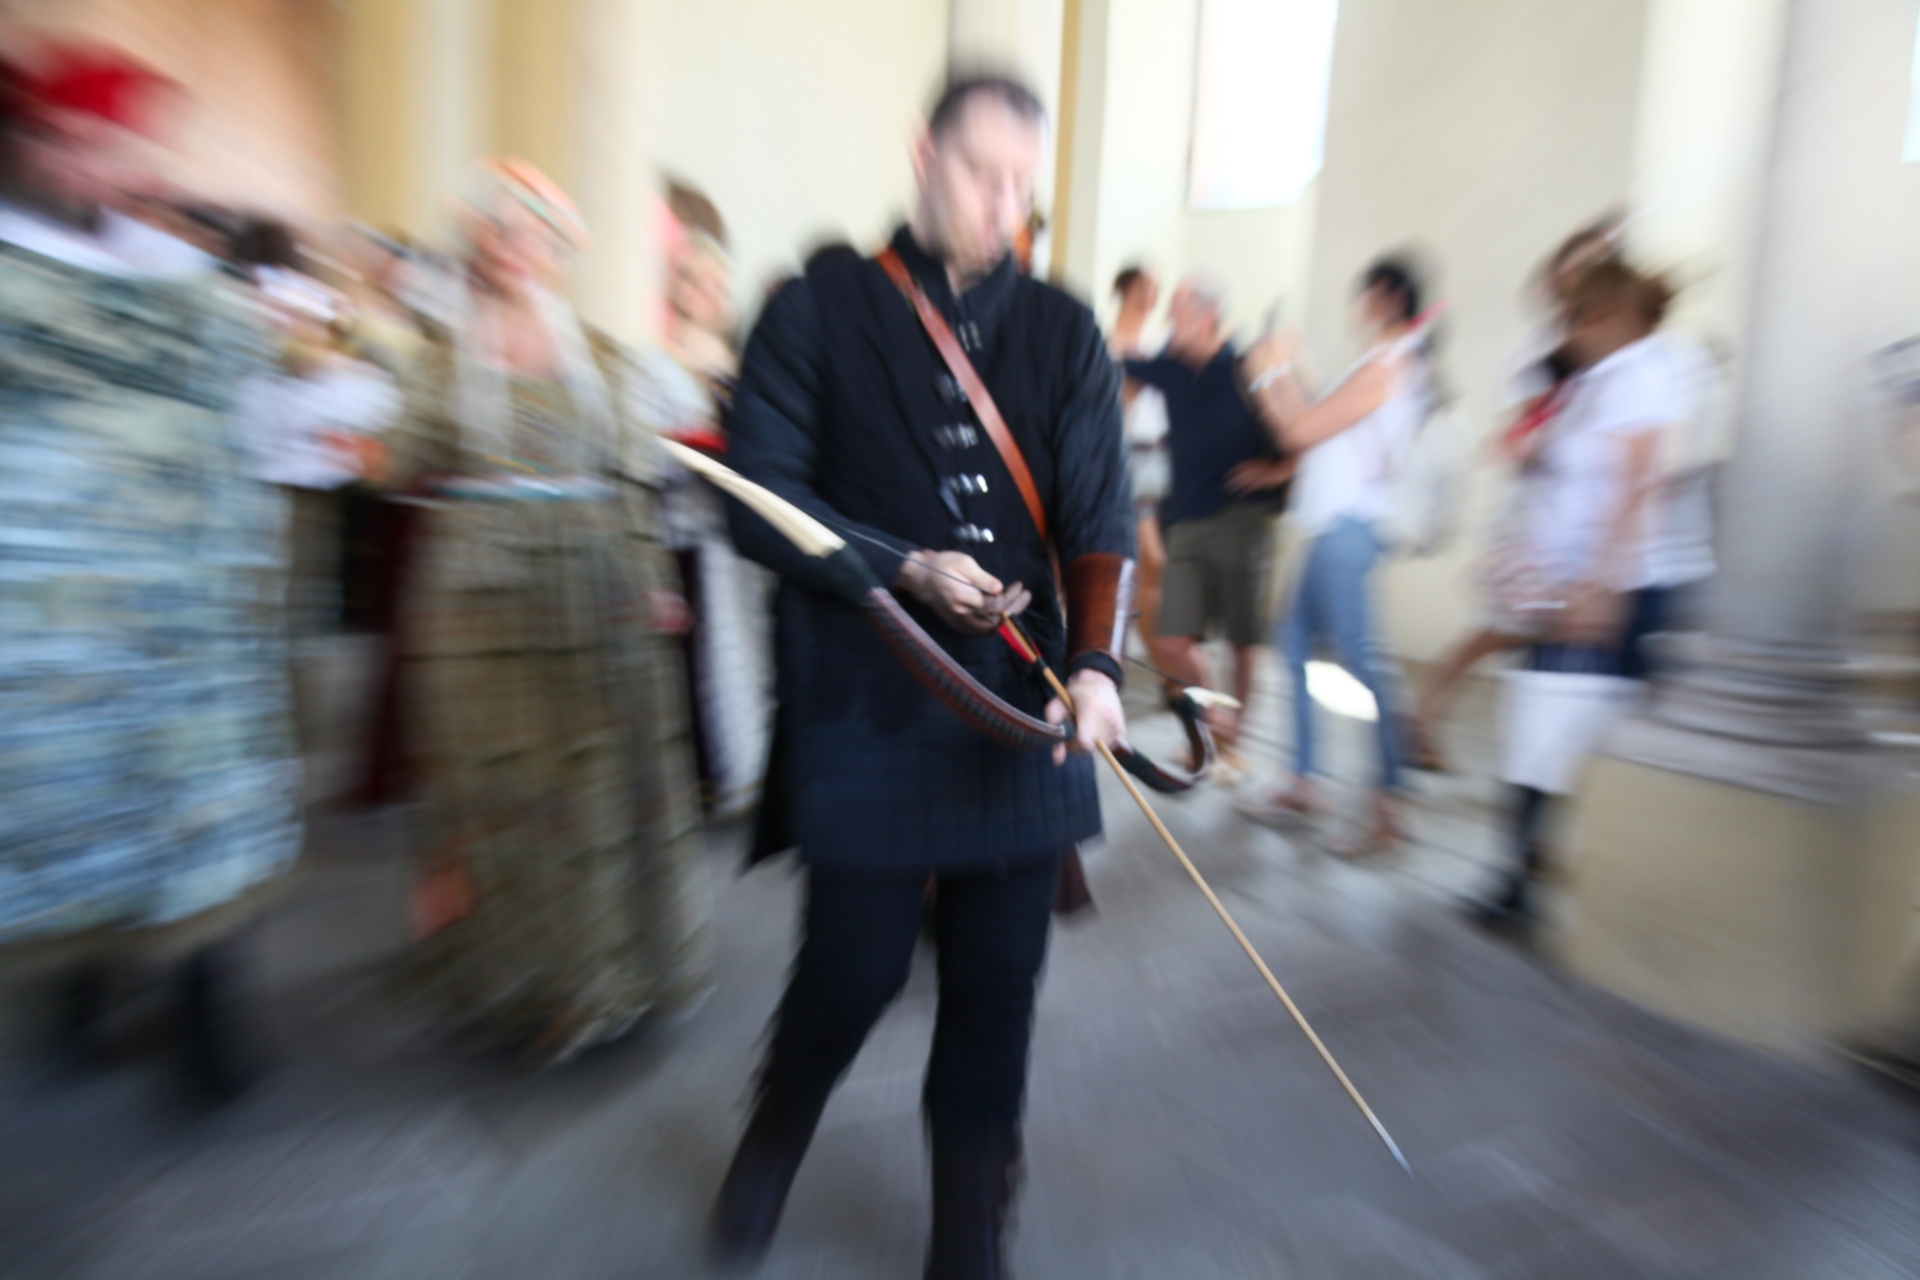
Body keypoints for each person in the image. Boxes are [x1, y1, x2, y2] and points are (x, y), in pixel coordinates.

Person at [710, 74, 1134, 1279]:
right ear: (921, 155)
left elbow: (1103, 508)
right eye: (978, 172)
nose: (1003, 204)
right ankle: (776, 1128)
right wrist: (903, 567)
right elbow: (758, 496)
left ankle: (967, 1236)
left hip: (1020, 697)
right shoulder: (817, 304)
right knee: (853, 967)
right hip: (866, 688)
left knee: (999, 984)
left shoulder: (1062, 327)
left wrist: (1097, 665)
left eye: (1021, 183)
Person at [0, 44, 301, 1101]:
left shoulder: (187, 281)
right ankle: (80, 989)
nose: (98, 166)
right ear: (35, 145)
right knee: (71, 802)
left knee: (187, 807)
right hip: (50, 619)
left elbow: (253, 426)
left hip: (180, 621)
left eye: (119, 146)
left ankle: (206, 1019)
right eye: (76, 142)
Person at [377, 159, 709, 1063]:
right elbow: (397, 461)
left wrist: (652, 577)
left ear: (559, 251)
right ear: (476, 245)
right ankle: (512, 980)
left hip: (593, 588)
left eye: (532, 234)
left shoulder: (601, 357)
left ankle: (594, 985)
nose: (513, 248)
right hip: (480, 605)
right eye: (497, 230)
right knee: (499, 790)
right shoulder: (444, 357)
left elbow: (629, 480)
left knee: (593, 789)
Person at [1470, 258, 1680, 922]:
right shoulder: (1597, 381)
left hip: (1610, 590)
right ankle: (1520, 876)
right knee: (1537, 724)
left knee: (1561, 729)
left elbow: (1637, 487)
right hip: (1569, 585)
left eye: (1574, 319)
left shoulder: (1641, 376)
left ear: (1605, 317)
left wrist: (1599, 587)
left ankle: (1535, 880)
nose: (1566, 333)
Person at [1405, 216, 1622, 771]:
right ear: (1556, 282)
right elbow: (1523, 432)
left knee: (1514, 639)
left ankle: (1429, 715)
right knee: (1503, 633)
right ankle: (1426, 716)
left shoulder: (1609, 353)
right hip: (1537, 523)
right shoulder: (1538, 351)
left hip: (1580, 525)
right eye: (1578, 270)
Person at [1242, 257, 1437, 855]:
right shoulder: (1381, 365)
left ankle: (1390, 805)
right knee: (1295, 646)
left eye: (1363, 295)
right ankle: (1304, 780)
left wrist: (1262, 376)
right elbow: (1326, 413)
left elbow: (1300, 431)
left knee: (1363, 663)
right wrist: (1292, 361)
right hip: (1331, 528)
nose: (1356, 306)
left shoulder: (1387, 367)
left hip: (1346, 532)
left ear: (1382, 297)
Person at [1123, 275, 1292, 757]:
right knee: (1172, 640)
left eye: (1176, 312)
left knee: (1242, 642)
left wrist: (1278, 469)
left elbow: (1300, 429)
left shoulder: (1246, 368)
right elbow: (1114, 360)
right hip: (1186, 522)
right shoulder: (1170, 369)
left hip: (1243, 519)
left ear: (1206, 316)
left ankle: (1231, 741)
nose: (1168, 323)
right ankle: (1220, 721)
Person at [1107, 265, 1177, 679]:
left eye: (1156, 288)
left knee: (1147, 567)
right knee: (1147, 560)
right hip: (1124, 455)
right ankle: (1157, 667)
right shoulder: (1109, 342)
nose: (1152, 296)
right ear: (1126, 289)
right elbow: (1111, 408)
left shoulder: (1155, 345)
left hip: (1158, 458)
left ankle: (1139, 653)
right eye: (1145, 288)